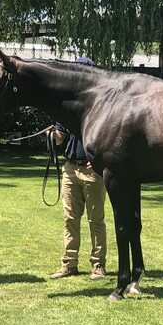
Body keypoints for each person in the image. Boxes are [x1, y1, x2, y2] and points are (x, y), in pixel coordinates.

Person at [50, 56, 107, 281]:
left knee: (96, 220)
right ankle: (68, 264)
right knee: (69, 219)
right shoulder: (69, 108)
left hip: (92, 170)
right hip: (70, 168)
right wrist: (52, 134)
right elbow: (59, 139)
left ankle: (98, 265)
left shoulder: (100, 108)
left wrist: (100, 160)